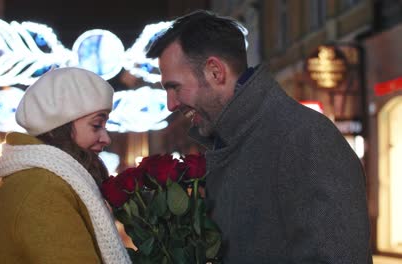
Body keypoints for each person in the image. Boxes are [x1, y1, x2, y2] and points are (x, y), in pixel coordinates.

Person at [147, 10, 372, 263]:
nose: (170, 104)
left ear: (214, 72)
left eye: (174, 87)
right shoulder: (235, 140)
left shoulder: (305, 138)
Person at [0, 67, 131, 264]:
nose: (106, 138)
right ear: (58, 127)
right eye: (96, 125)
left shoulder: (42, 179)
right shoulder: (41, 189)